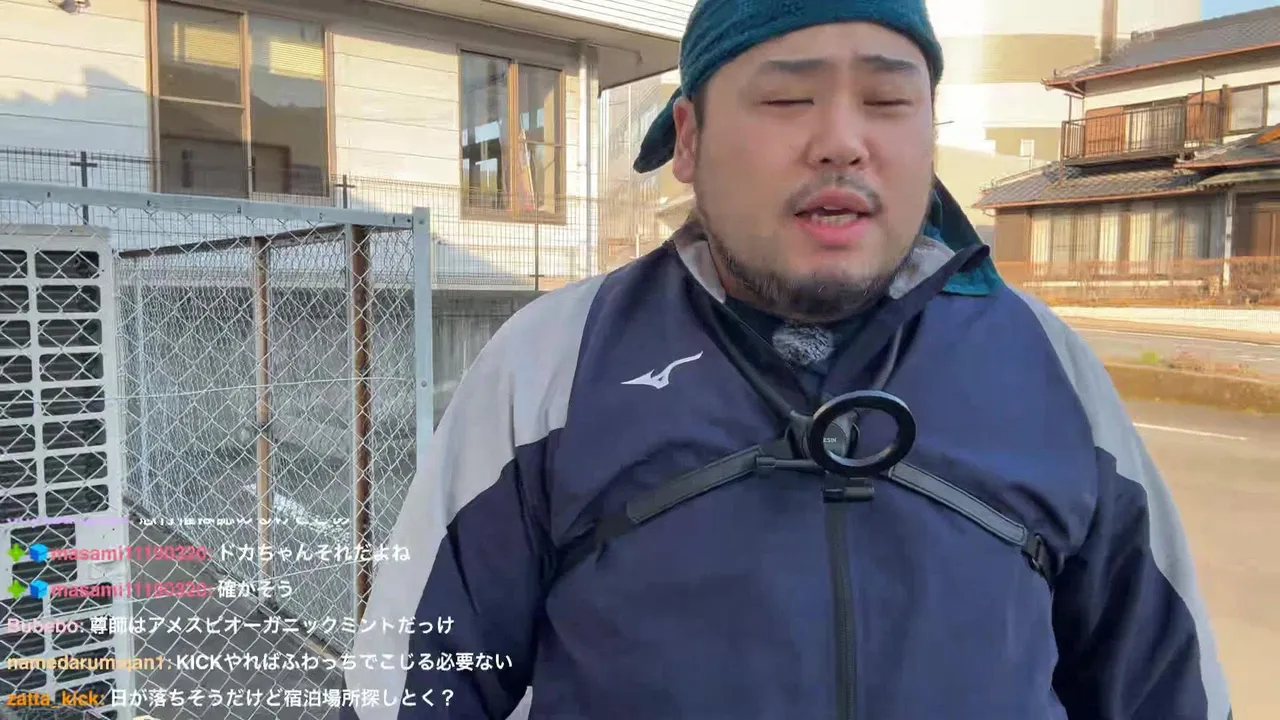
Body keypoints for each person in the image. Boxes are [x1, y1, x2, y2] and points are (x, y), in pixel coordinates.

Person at [344, 0, 1233, 717]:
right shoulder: (553, 363)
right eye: (786, 99)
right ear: (688, 139)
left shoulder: (1048, 366)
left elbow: (1166, 689)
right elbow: (409, 687)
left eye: (888, 101)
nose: (842, 140)